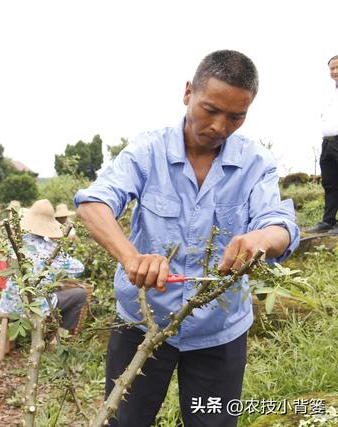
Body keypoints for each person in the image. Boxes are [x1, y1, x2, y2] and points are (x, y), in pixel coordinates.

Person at [74, 50, 299, 427]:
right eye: (210, 109)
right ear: (188, 93)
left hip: (219, 331)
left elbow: (280, 225)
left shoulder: (257, 162)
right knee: (124, 420)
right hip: (141, 323)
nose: (219, 126)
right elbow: (93, 203)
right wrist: (132, 258)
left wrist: (261, 237)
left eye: (235, 116)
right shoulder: (148, 150)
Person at [0, 199, 87, 332]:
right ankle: (60, 338)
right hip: (37, 306)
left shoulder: (14, 242)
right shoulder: (52, 249)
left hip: (9, 303)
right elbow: (79, 268)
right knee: (80, 294)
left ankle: (8, 344)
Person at [305, 54, 338, 233]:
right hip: (328, 142)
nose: (334, 71)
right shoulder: (330, 92)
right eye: (331, 68)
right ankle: (328, 221)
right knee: (330, 183)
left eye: (337, 67)